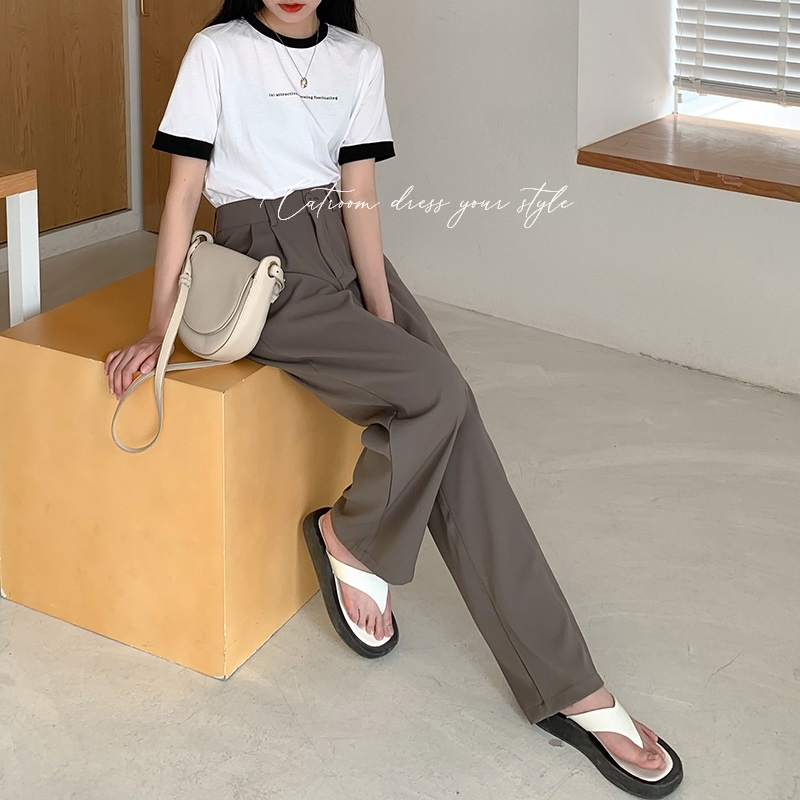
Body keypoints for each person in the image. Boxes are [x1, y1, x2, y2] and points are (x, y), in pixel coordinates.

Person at [104, 2, 683, 796]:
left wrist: (382, 316)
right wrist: (159, 325)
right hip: (263, 268)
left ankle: (569, 683)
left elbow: (359, 193)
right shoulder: (217, 51)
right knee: (439, 392)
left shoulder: (357, 59)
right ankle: (352, 537)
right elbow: (182, 196)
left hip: (344, 254)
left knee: (453, 411)